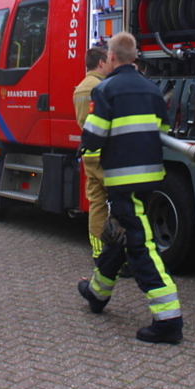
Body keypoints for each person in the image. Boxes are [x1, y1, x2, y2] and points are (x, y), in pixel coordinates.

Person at [77, 32, 183, 344]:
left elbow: (94, 136)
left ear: (110, 58)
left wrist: (86, 149)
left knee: (139, 246)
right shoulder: (153, 90)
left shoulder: (105, 89)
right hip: (150, 177)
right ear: (135, 57)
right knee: (121, 237)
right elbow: (163, 130)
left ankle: (169, 320)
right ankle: (97, 293)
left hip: (121, 179)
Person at [72, 45, 111, 259]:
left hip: (89, 153)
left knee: (96, 204)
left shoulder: (80, 88)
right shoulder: (103, 87)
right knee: (120, 204)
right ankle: (118, 255)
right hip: (106, 152)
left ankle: (99, 252)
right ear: (101, 63)